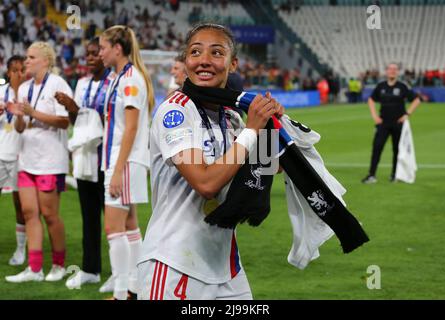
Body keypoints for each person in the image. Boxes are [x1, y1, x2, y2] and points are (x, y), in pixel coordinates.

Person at [137, 23, 283, 300]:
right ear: (186, 61)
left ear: (233, 64)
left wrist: (269, 129)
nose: (204, 60)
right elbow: (205, 183)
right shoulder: (175, 111)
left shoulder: (233, 117)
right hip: (175, 263)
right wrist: (252, 131)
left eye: (216, 53)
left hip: (226, 266)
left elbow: (268, 167)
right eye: (195, 52)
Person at [5, 42, 72, 283]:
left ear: (45, 60)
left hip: (50, 161)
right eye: (27, 57)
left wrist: (33, 113)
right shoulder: (23, 88)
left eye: (31, 57)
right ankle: (34, 269)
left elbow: (65, 121)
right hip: (28, 159)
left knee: (50, 214)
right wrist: (20, 115)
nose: (26, 61)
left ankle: (59, 264)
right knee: (30, 212)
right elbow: (21, 128)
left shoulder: (58, 84)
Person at [54, 37, 115, 289]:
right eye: (86, 54)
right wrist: (70, 107)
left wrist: (75, 106)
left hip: (107, 159)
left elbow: (112, 116)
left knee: (112, 220)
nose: (89, 58)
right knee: (88, 217)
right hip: (85, 159)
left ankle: (120, 273)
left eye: (94, 53)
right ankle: (91, 269)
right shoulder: (81, 83)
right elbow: (75, 120)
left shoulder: (114, 82)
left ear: (105, 54)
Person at [98, 25, 154, 300]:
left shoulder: (131, 79)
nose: (99, 53)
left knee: (113, 228)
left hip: (125, 161)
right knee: (130, 225)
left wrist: (118, 170)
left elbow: (130, 129)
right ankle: (135, 287)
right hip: (124, 159)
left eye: (102, 48)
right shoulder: (121, 77)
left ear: (117, 49)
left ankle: (121, 293)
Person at [362, 63, 421, 184]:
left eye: (395, 69)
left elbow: (417, 100)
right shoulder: (381, 86)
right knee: (377, 147)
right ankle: (371, 175)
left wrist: (407, 114)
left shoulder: (402, 86)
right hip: (383, 123)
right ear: (386, 71)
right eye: (390, 69)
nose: (392, 71)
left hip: (398, 123)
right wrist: (374, 116)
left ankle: (394, 175)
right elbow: (371, 100)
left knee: (397, 150)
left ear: (398, 72)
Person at [0, 55, 27, 266]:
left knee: (20, 204)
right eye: (14, 70)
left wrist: (18, 94)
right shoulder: (0, 91)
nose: (18, 74)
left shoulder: (29, 93)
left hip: (21, 155)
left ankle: (20, 251)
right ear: (8, 72)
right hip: (1, 154)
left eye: (21, 70)